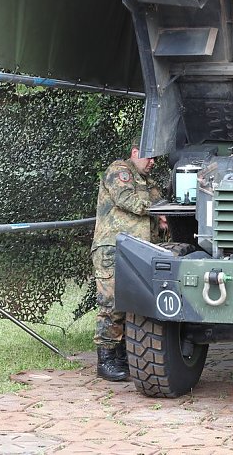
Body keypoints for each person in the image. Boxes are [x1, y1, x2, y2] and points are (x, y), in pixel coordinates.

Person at [91, 134, 168, 381]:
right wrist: (158, 211)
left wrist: (164, 214)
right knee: (111, 304)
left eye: (155, 157)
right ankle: (106, 360)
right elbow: (127, 199)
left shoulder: (148, 181)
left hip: (138, 252)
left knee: (131, 305)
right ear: (135, 152)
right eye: (149, 156)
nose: (153, 161)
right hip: (112, 249)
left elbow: (161, 204)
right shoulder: (119, 170)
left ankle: (122, 356)